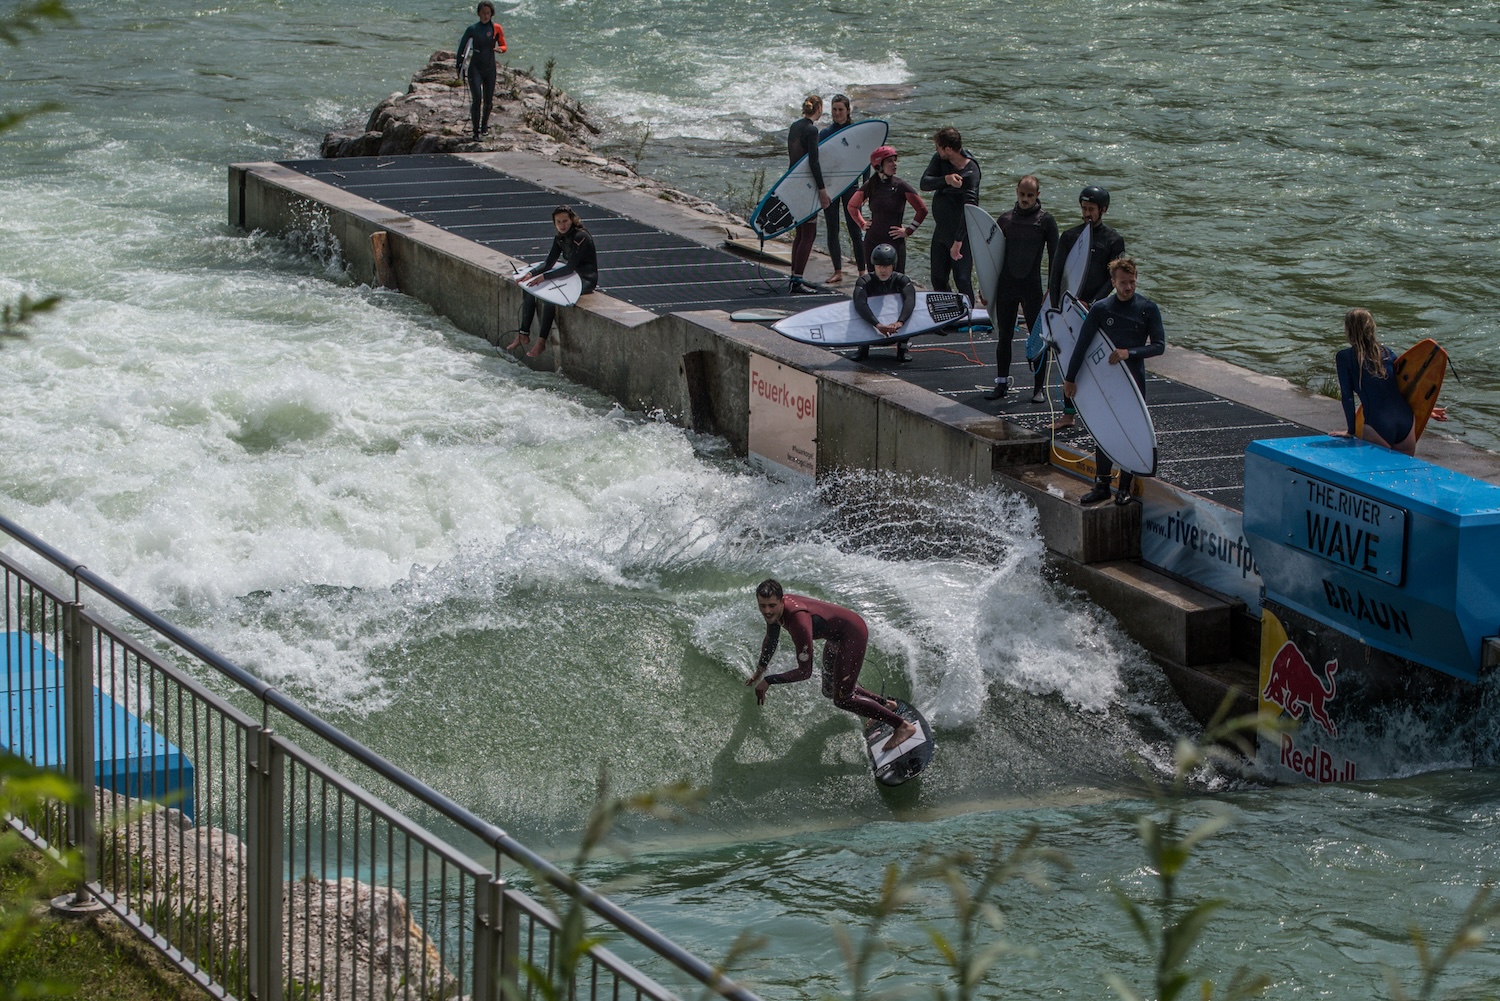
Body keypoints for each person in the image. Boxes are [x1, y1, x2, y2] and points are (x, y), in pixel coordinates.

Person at [747, 579, 917, 752]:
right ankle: (886, 705)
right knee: (829, 690)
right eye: (763, 606)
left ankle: (902, 726)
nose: (767, 611)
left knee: (843, 699)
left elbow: (805, 672)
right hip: (836, 638)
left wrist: (769, 680)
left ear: (782, 600)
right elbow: (771, 639)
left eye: (771, 605)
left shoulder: (798, 621)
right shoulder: (776, 613)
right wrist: (760, 670)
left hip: (852, 635)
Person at [1064, 257, 1164, 506]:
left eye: (1132, 282)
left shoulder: (1147, 308)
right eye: (1123, 283)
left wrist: (1130, 353)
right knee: (1104, 431)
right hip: (1106, 382)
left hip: (1132, 382)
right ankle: (1101, 485)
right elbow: (1082, 344)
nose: (1128, 287)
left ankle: (1125, 487)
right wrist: (1070, 378)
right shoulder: (1101, 309)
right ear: (1113, 282)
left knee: (1129, 431)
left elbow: (1159, 346)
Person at [1042, 186, 1126, 426]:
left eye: (1091, 209)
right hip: (1070, 310)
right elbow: (1056, 276)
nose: (1087, 213)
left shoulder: (1113, 240)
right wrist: (1058, 309)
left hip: (1098, 310)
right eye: (1084, 209)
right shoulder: (1070, 237)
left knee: (1100, 361)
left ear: (1103, 210)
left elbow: (1114, 280)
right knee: (1069, 362)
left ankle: (1101, 411)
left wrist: (1093, 303)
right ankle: (1068, 414)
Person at [984, 175, 1059, 402]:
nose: (1025, 199)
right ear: (1016, 191)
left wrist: (1052, 290)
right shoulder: (1006, 219)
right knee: (1004, 336)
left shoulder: (1046, 221)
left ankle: (1038, 388)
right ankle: (1001, 383)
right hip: (1007, 285)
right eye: (1022, 194)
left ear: (1037, 195)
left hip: (1032, 287)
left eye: (1029, 195)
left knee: (1037, 338)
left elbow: (1055, 258)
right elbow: (990, 257)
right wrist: (986, 288)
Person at [1331, 308, 1431, 454]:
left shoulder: (1345, 357)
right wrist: (1426, 408)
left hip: (1377, 424)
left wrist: (1351, 431)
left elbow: (1347, 397)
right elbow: (1401, 387)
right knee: (1401, 473)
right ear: (1371, 327)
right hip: (1406, 421)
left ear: (1348, 329)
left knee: (1372, 474)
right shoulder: (1387, 353)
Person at [505, 205, 597, 358]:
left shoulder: (580, 236)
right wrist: (530, 274)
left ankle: (541, 341)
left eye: (565, 221)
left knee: (550, 295)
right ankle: (523, 333)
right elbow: (549, 263)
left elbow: (569, 267)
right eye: (558, 222)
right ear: (554, 223)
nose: (562, 225)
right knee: (528, 287)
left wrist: (544, 277)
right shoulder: (560, 238)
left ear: (572, 220)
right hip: (571, 276)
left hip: (585, 279)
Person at [919, 127, 981, 301]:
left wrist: (958, 241)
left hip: (960, 234)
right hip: (941, 230)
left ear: (948, 149)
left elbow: (971, 207)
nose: (936, 151)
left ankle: (967, 315)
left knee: (962, 279)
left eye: (938, 147)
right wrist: (945, 180)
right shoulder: (939, 160)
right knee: (938, 278)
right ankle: (948, 309)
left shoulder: (971, 172)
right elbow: (924, 183)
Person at [847, 146, 928, 276]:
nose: (894, 164)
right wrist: (862, 223)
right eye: (889, 161)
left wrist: (908, 231)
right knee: (874, 282)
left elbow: (922, 210)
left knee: (897, 281)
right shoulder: (870, 185)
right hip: (872, 241)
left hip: (895, 242)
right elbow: (852, 206)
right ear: (878, 165)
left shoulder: (900, 185)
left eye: (895, 160)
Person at [818, 95, 866, 285]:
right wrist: (821, 188)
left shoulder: (856, 132)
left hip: (851, 186)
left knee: (855, 229)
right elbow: (818, 162)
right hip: (830, 187)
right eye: (834, 109)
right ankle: (838, 271)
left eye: (841, 109)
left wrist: (866, 188)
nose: (837, 113)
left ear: (848, 111)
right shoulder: (824, 134)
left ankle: (862, 271)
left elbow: (865, 162)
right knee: (832, 229)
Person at [787, 95, 830, 293]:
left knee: (800, 232)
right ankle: (797, 281)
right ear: (819, 108)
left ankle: (795, 276)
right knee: (809, 233)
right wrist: (822, 190)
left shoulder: (795, 126)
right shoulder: (812, 130)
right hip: (807, 186)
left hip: (793, 183)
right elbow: (814, 162)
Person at [850, 244, 917, 362]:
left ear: (893, 266)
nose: (883, 270)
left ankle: (902, 348)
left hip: (896, 325)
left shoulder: (902, 280)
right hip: (874, 323)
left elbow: (910, 300)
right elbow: (860, 304)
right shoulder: (864, 281)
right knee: (856, 309)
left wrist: (900, 322)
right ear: (874, 266)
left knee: (910, 308)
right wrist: (877, 324)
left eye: (887, 266)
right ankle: (863, 349)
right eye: (879, 266)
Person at [456, 2, 506, 141]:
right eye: (483, 13)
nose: (485, 16)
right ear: (478, 13)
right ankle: (475, 131)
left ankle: (484, 127)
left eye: (488, 13)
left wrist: (501, 49)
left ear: (491, 14)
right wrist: (458, 66)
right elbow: (462, 48)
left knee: (488, 101)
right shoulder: (472, 29)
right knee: (477, 98)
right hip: (475, 69)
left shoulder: (496, 28)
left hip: (490, 69)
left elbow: (503, 45)